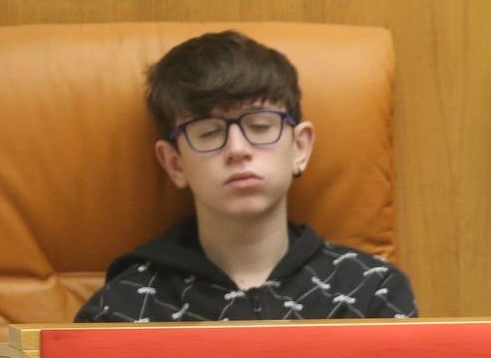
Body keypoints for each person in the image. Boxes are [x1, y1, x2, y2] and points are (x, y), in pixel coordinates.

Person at [77, 29, 417, 323]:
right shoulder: (121, 309)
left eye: (260, 126)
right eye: (208, 133)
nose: (237, 149)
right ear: (175, 164)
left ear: (299, 147)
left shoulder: (372, 291)